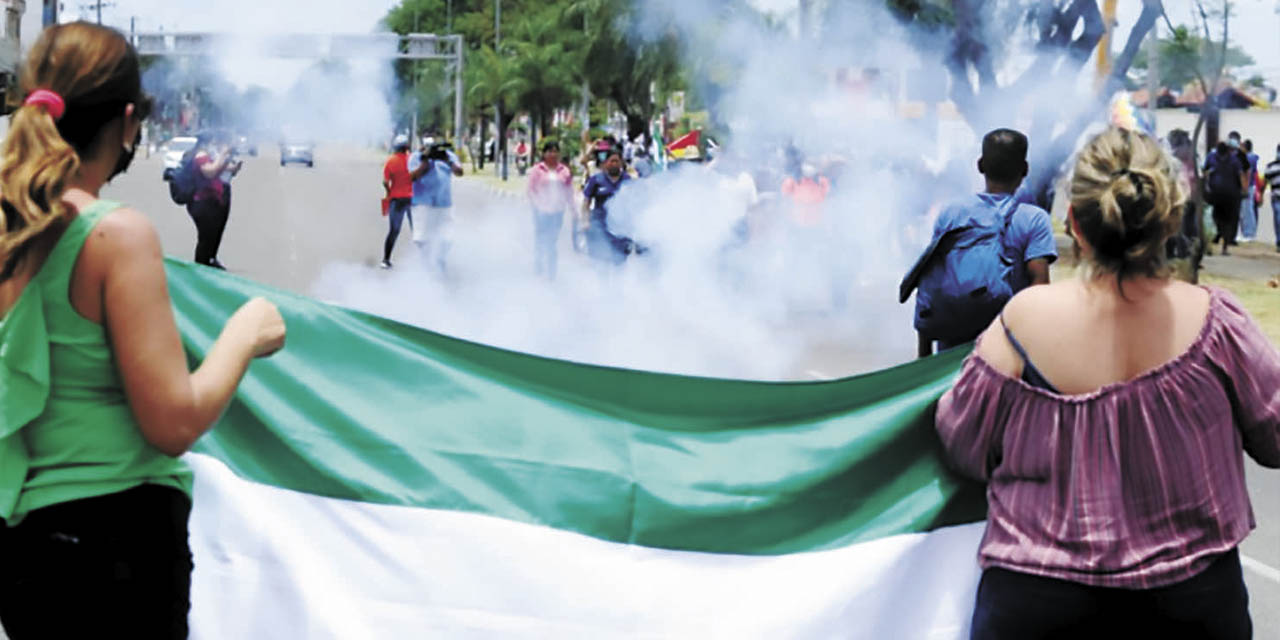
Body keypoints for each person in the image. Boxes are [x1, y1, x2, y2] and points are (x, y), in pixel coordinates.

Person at [0, 23, 286, 639]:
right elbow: (172, 422)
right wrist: (244, 334)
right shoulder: (114, 235)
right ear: (129, 122)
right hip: (116, 546)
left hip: (23, 549)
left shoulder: (9, 229)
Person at [935, 127, 1279, 640]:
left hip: (1036, 604)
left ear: (1073, 222)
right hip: (1194, 604)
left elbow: (963, 447)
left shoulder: (1021, 322)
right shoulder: (1218, 320)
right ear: (1169, 220)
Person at [907, 128, 1056, 357]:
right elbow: (1040, 288)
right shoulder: (1034, 219)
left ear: (980, 165)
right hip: (1004, 350)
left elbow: (931, 279)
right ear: (1025, 170)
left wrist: (924, 358)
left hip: (950, 350)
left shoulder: (953, 213)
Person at [407, 136, 464, 275]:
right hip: (423, 203)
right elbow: (411, 177)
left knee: (448, 237)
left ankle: (440, 259)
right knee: (422, 238)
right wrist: (424, 163)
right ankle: (425, 264)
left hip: (444, 203)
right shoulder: (416, 157)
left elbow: (459, 172)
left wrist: (448, 162)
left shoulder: (448, 156)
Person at [186, 133, 237, 269]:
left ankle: (208, 260)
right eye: (212, 141)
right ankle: (201, 266)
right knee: (206, 237)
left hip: (211, 201)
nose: (214, 143)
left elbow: (219, 169)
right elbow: (210, 172)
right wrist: (223, 154)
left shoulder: (207, 156)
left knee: (212, 234)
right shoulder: (200, 155)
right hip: (202, 202)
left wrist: (229, 162)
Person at [527, 140, 574, 280]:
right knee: (541, 239)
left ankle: (552, 271)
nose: (553, 154)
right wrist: (538, 205)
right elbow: (531, 190)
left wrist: (573, 209)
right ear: (544, 154)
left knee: (552, 241)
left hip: (557, 211)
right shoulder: (537, 170)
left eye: (555, 151)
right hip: (541, 211)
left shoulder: (564, 171)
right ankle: (539, 266)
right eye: (550, 151)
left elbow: (569, 191)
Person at [581, 147, 635, 265]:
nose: (614, 164)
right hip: (600, 225)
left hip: (620, 227)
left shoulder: (627, 180)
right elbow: (586, 201)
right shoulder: (596, 180)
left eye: (617, 161)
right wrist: (585, 220)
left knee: (620, 261)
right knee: (601, 260)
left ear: (621, 163)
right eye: (611, 161)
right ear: (606, 163)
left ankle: (618, 283)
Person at [1203, 139, 1247, 256]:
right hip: (1231, 195)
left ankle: (1213, 242)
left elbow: (1204, 172)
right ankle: (1224, 247)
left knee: (1214, 219)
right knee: (1227, 222)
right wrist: (1244, 190)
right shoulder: (1234, 159)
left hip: (1215, 194)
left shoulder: (1212, 157)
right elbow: (1241, 175)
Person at [380, 134, 418, 269]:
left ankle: (386, 260)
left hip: (396, 200)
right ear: (407, 147)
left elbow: (385, 182)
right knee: (417, 230)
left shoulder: (391, 161)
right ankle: (423, 261)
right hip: (412, 199)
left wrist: (389, 191)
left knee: (394, 230)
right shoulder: (413, 160)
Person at [1239, 138, 1259, 242]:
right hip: (1250, 186)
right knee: (1247, 210)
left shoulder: (1249, 158)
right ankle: (1248, 232)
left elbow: (1247, 172)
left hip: (1247, 186)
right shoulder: (1252, 157)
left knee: (1247, 211)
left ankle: (1249, 233)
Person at [1266, 144, 1280, 253]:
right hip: (1276, 196)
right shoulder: (1271, 166)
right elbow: (1266, 178)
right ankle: (1279, 241)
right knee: (1278, 219)